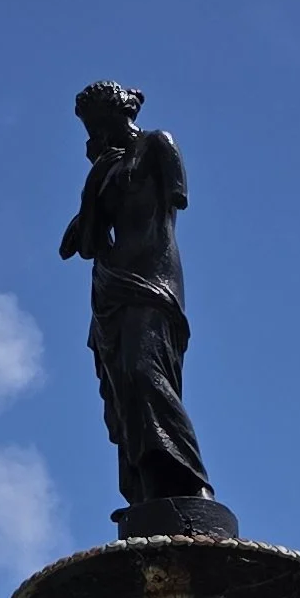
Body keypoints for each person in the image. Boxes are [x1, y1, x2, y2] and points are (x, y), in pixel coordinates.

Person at [60, 82, 219, 521]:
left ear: (114, 115)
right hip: (110, 289)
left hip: (153, 278)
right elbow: (85, 244)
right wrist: (94, 184)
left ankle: (192, 481)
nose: (91, 132)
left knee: (146, 373)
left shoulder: (157, 145)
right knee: (123, 391)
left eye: (94, 123)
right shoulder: (105, 169)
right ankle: (148, 490)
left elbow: (173, 204)